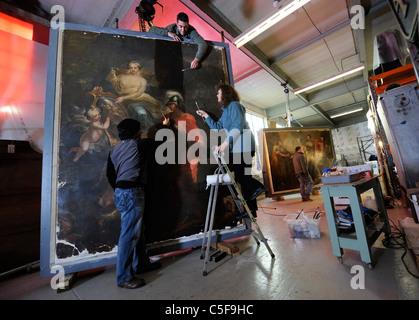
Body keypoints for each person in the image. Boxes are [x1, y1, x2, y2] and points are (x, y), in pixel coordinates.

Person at [106, 117, 169, 289]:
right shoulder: (139, 144)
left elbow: (111, 176)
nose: (141, 132)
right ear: (136, 132)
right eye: (139, 130)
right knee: (129, 235)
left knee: (137, 231)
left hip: (121, 192)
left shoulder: (113, 150)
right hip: (132, 193)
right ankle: (124, 277)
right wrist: (165, 126)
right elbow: (160, 141)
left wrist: (121, 189)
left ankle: (141, 264)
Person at [196, 84, 265, 218]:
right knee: (243, 177)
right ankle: (251, 211)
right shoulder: (226, 111)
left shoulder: (234, 105)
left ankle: (258, 187)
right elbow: (218, 127)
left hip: (243, 147)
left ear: (225, 94)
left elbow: (238, 126)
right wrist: (205, 116)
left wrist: (225, 144)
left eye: (218, 93)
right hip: (239, 148)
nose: (217, 95)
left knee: (237, 174)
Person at [106, 60, 170, 133]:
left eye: (135, 68)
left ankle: (149, 131)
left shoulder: (142, 80)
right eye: (131, 67)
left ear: (138, 69)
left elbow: (138, 94)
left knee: (143, 113)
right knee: (140, 112)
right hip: (126, 100)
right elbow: (115, 85)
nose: (133, 69)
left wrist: (123, 98)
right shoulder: (121, 77)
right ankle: (148, 131)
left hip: (140, 99)